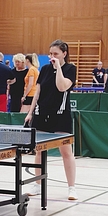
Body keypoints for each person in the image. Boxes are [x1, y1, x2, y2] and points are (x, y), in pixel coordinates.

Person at [25, 39, 78, 201]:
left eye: (55, 53)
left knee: (66, 152)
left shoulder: (70, 69)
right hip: (42, 114)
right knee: (39, 151)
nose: (52, 56)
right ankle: (38, 184)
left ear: (64, 54)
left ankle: (71, 188)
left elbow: (62, 87)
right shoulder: (45, 69)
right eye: (50, 54)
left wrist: (58, 68)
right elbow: (38, 93)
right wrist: (30, 112)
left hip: (61, 115)